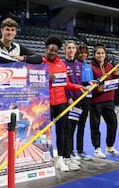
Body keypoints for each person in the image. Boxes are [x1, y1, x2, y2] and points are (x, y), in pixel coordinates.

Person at [42, 35, 85, 172]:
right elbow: (31, 79)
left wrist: (79, 87)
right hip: (46, 103)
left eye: (55, 51)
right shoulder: (40, 63)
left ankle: (60, 159)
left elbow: (65, 83)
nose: (52, 53)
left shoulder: (61, 65)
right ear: (46, 49)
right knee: (44, 133)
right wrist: (44, 77)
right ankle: (44, 160)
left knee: (62, 132)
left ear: (58, 51)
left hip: (61, 103)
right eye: (50, 50)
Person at [89, 44, 119, 159]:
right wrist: (96, 88)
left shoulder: (110, 65)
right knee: (95, 125)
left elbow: (114, 81)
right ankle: (97, 149)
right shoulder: (90, 67)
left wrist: (117, 74)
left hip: (109, 99)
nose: (100, 55)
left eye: (102, 53)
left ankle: (110, 147)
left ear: (105, 54)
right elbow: (89, 83)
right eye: (98, 53)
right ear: (94, 55)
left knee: (113, 123)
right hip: (96, 100)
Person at [62, 41, 92, 161]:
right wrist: (68, 97)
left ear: (75, 50)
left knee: (75, 125)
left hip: (79, 99)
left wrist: (88, 83)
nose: (71, 50)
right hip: (68, 100)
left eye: (73, 48)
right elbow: (63, 83)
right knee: (68, 128)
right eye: (69, 48)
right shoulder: (62, 64)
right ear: (65, 50)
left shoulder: (79, 64)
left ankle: (74, 151)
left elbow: (79, 83)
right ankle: (68, 152)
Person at [74, 43, 94, 160]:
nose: (83, 55)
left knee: (82, 125)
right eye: (81, 52)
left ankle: (80, 150)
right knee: (72, 126)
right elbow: (77, 82)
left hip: (87, 98)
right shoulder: (75, 65)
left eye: (85, 53)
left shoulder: (88, 66)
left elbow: (90, 82)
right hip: (77, 98)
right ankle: (70, 150)